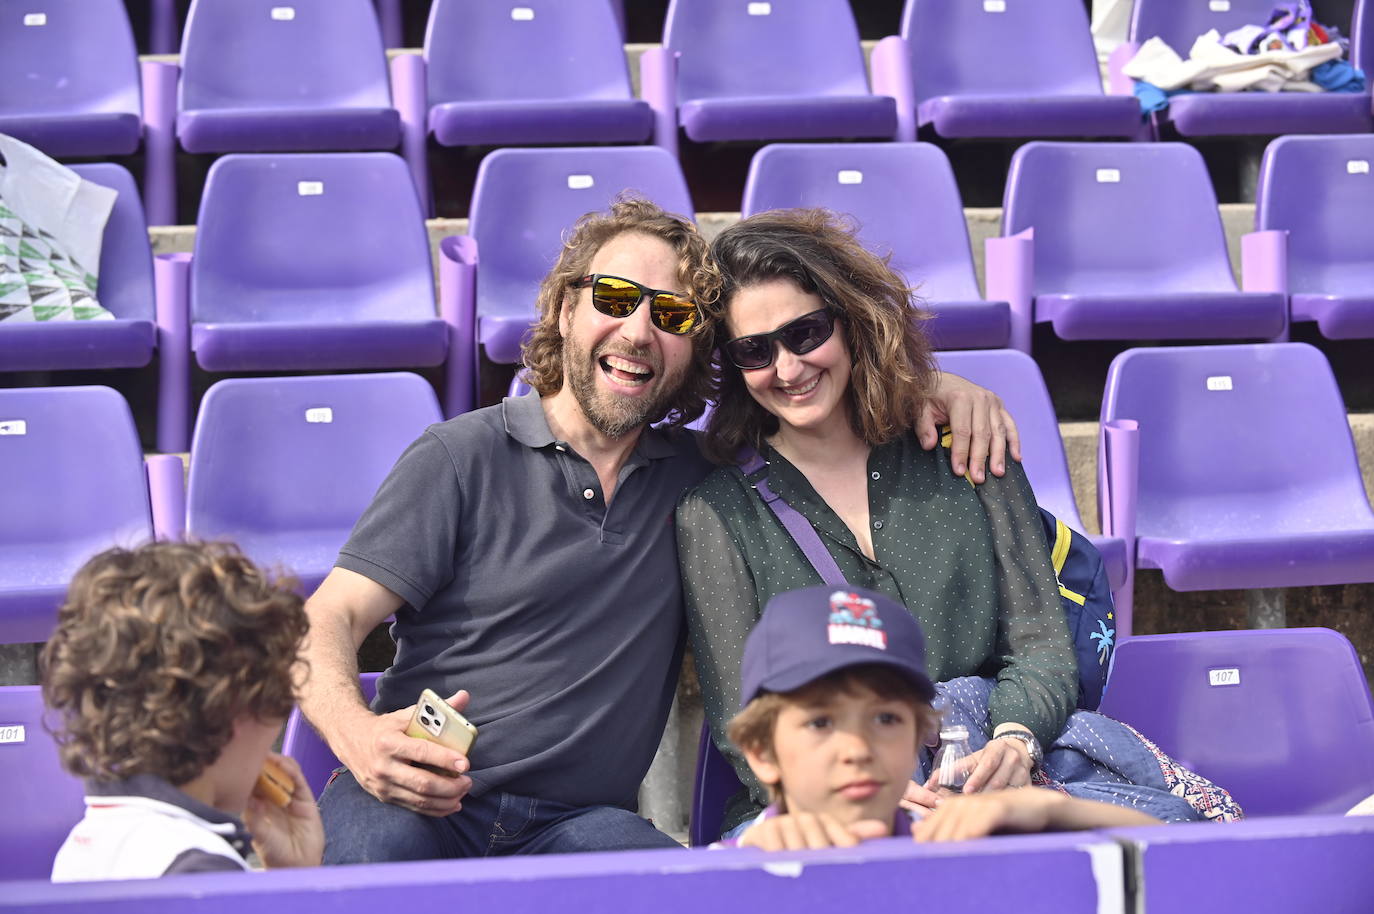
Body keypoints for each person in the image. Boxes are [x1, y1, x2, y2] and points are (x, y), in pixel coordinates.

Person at [297, 196, 1021, 863]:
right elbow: (324, 617)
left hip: (576, 826)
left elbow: (817, 402)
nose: (639, 331)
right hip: (417, 800)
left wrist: (935, 385)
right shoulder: (459, 456)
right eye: (613, 298)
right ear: (563, 311)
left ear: (694, 350)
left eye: (672, 316)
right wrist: (359, 736)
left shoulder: (703, 480)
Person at [677, 209, 1243, 839]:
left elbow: (1041, 648)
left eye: (806, 333)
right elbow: (741, 713)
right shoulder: (715, 513)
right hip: (830, 801)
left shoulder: (965, 447)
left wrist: (1015, 742)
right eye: (755, 350)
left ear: (852, 319)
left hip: (996, 775)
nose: (787, 369)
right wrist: (872, 792)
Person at [719, 586, 1161, 852]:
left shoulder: (950, 841)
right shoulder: (731, 865)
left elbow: (1181, 861)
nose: (857, 749)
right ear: (762, 752)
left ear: (919, 737)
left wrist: (1051, 811)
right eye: (820, 723)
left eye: (886, 719)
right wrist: (747, 872)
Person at [42, 542, 321, 881]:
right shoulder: (201, 874)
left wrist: (291, 876)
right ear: (240, 712)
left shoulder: (83, 844)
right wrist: (303, 885)